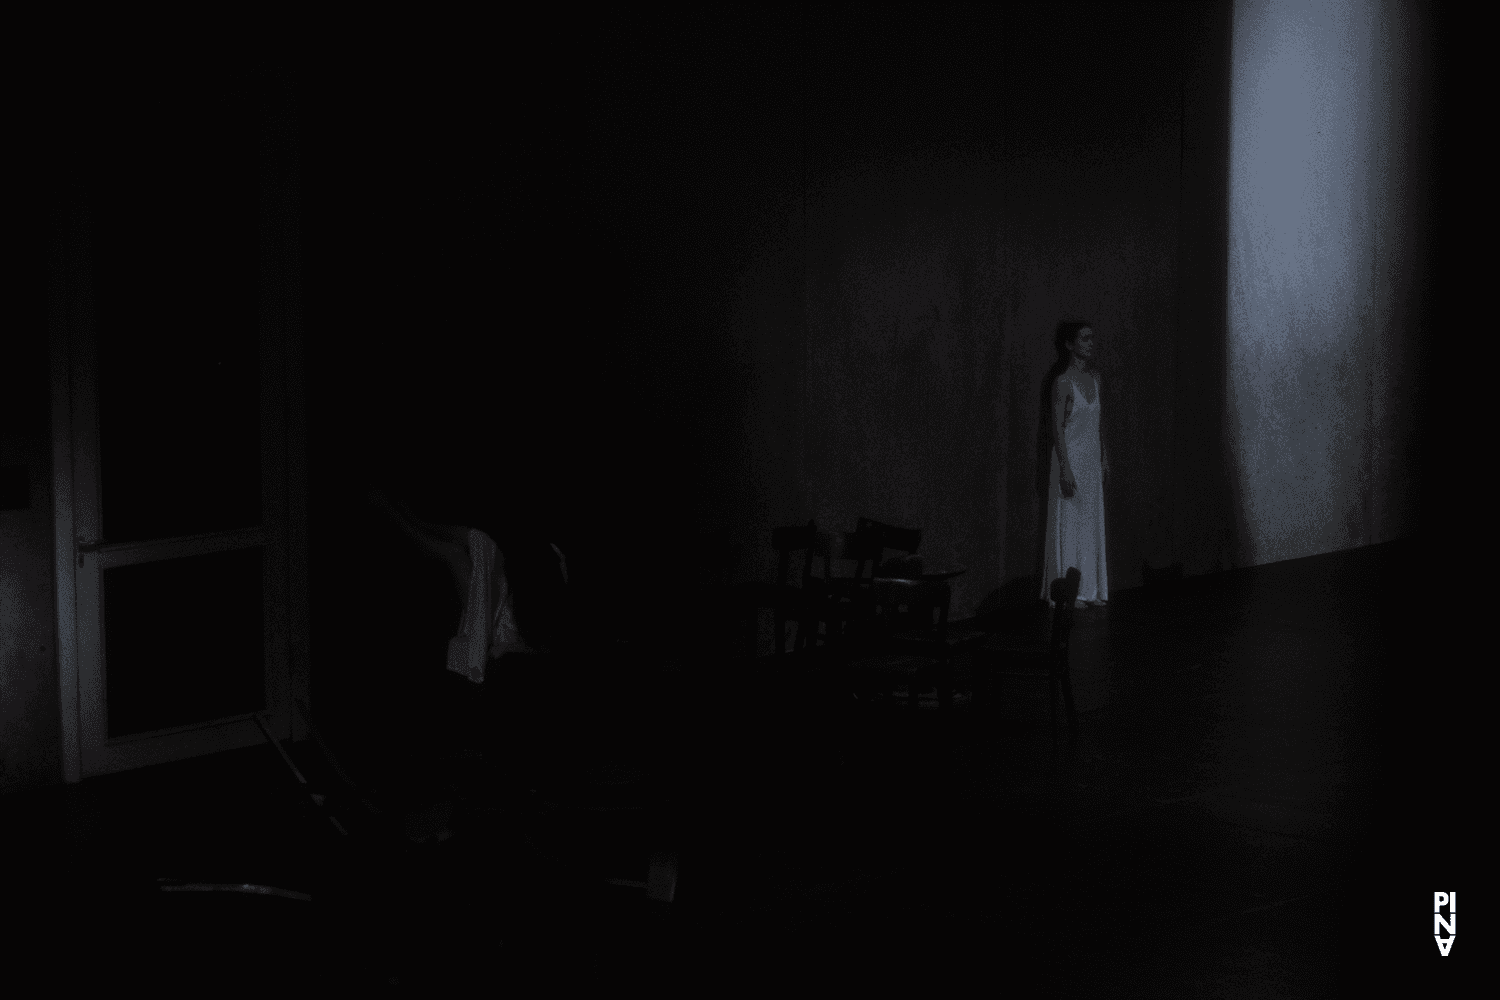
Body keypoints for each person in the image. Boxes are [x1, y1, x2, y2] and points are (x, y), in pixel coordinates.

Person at [1041, 320, 1109, 608]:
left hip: (1091, 459)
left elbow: (1098, 423)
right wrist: (1065, 468)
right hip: (1069, 459)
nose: (1090, 343)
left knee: (1089, 522)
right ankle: (1066, 592)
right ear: (1069, 344)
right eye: (1084, 338)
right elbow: (1056, 428)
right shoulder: (1062, 381)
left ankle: (1089, 588)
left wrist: (1105, 456)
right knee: (1069, 523)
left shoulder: (1095, 378)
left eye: (1092, 337)